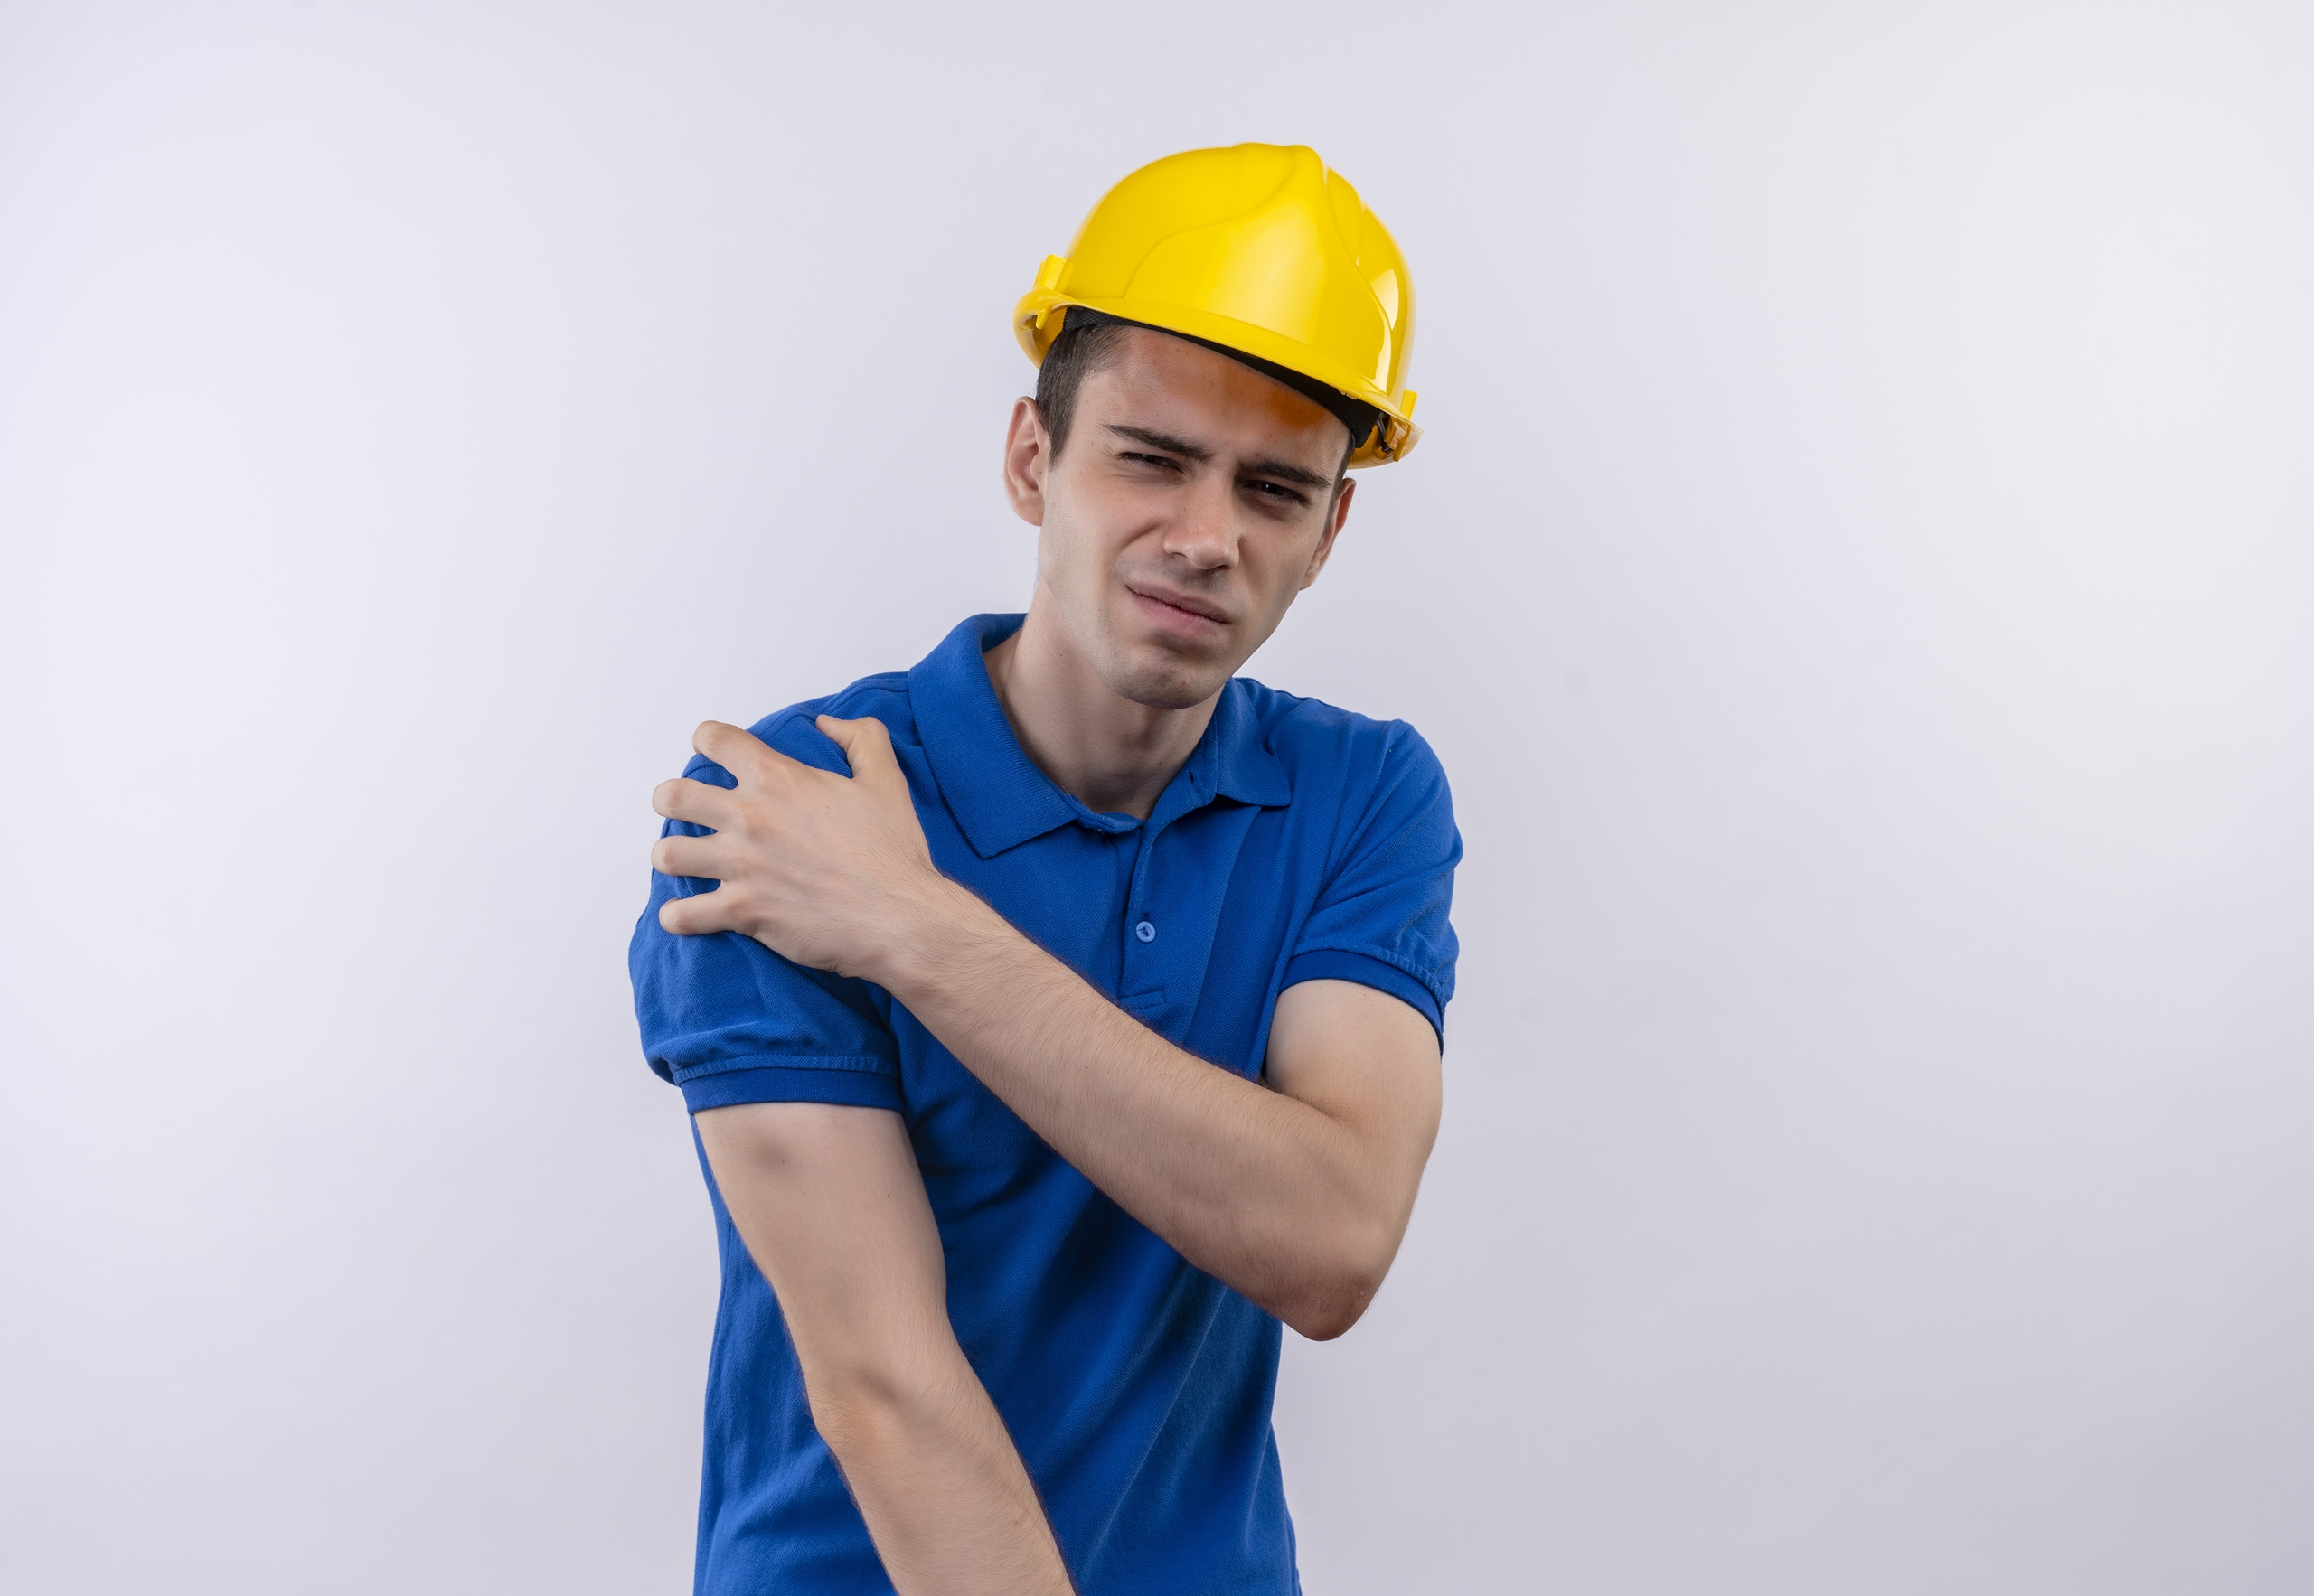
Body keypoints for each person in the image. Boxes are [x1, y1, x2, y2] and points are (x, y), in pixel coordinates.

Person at [629, 142, 1461, 1595]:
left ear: (1330, 531)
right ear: (1033, 459)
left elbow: (1330, 1240)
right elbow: (888, 1389)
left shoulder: (1360, 794)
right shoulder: (782, 811)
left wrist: (914, 927)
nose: (1206, 539)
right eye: (1151, 458)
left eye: (1274, 490)